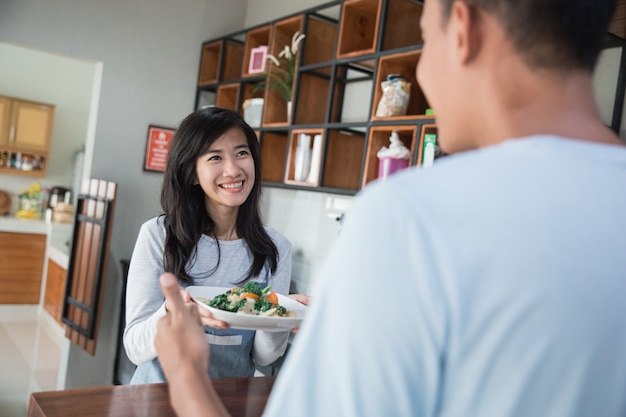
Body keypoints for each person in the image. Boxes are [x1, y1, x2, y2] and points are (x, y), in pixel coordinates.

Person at [154, 0, 626, 415]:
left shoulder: (411, 216)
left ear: (461, 28)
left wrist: (189, 380)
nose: (422, 73)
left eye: (424, 40)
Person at [124, 106, 293, 383]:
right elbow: (134, 348)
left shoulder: (276, 248)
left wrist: (278, 314)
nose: (233, 169)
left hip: (230, 404)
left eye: (242, 153)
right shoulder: (159, 236)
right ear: (192, 173)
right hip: (156, 400)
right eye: (215, 157)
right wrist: (171, 312)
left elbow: (265, 357)